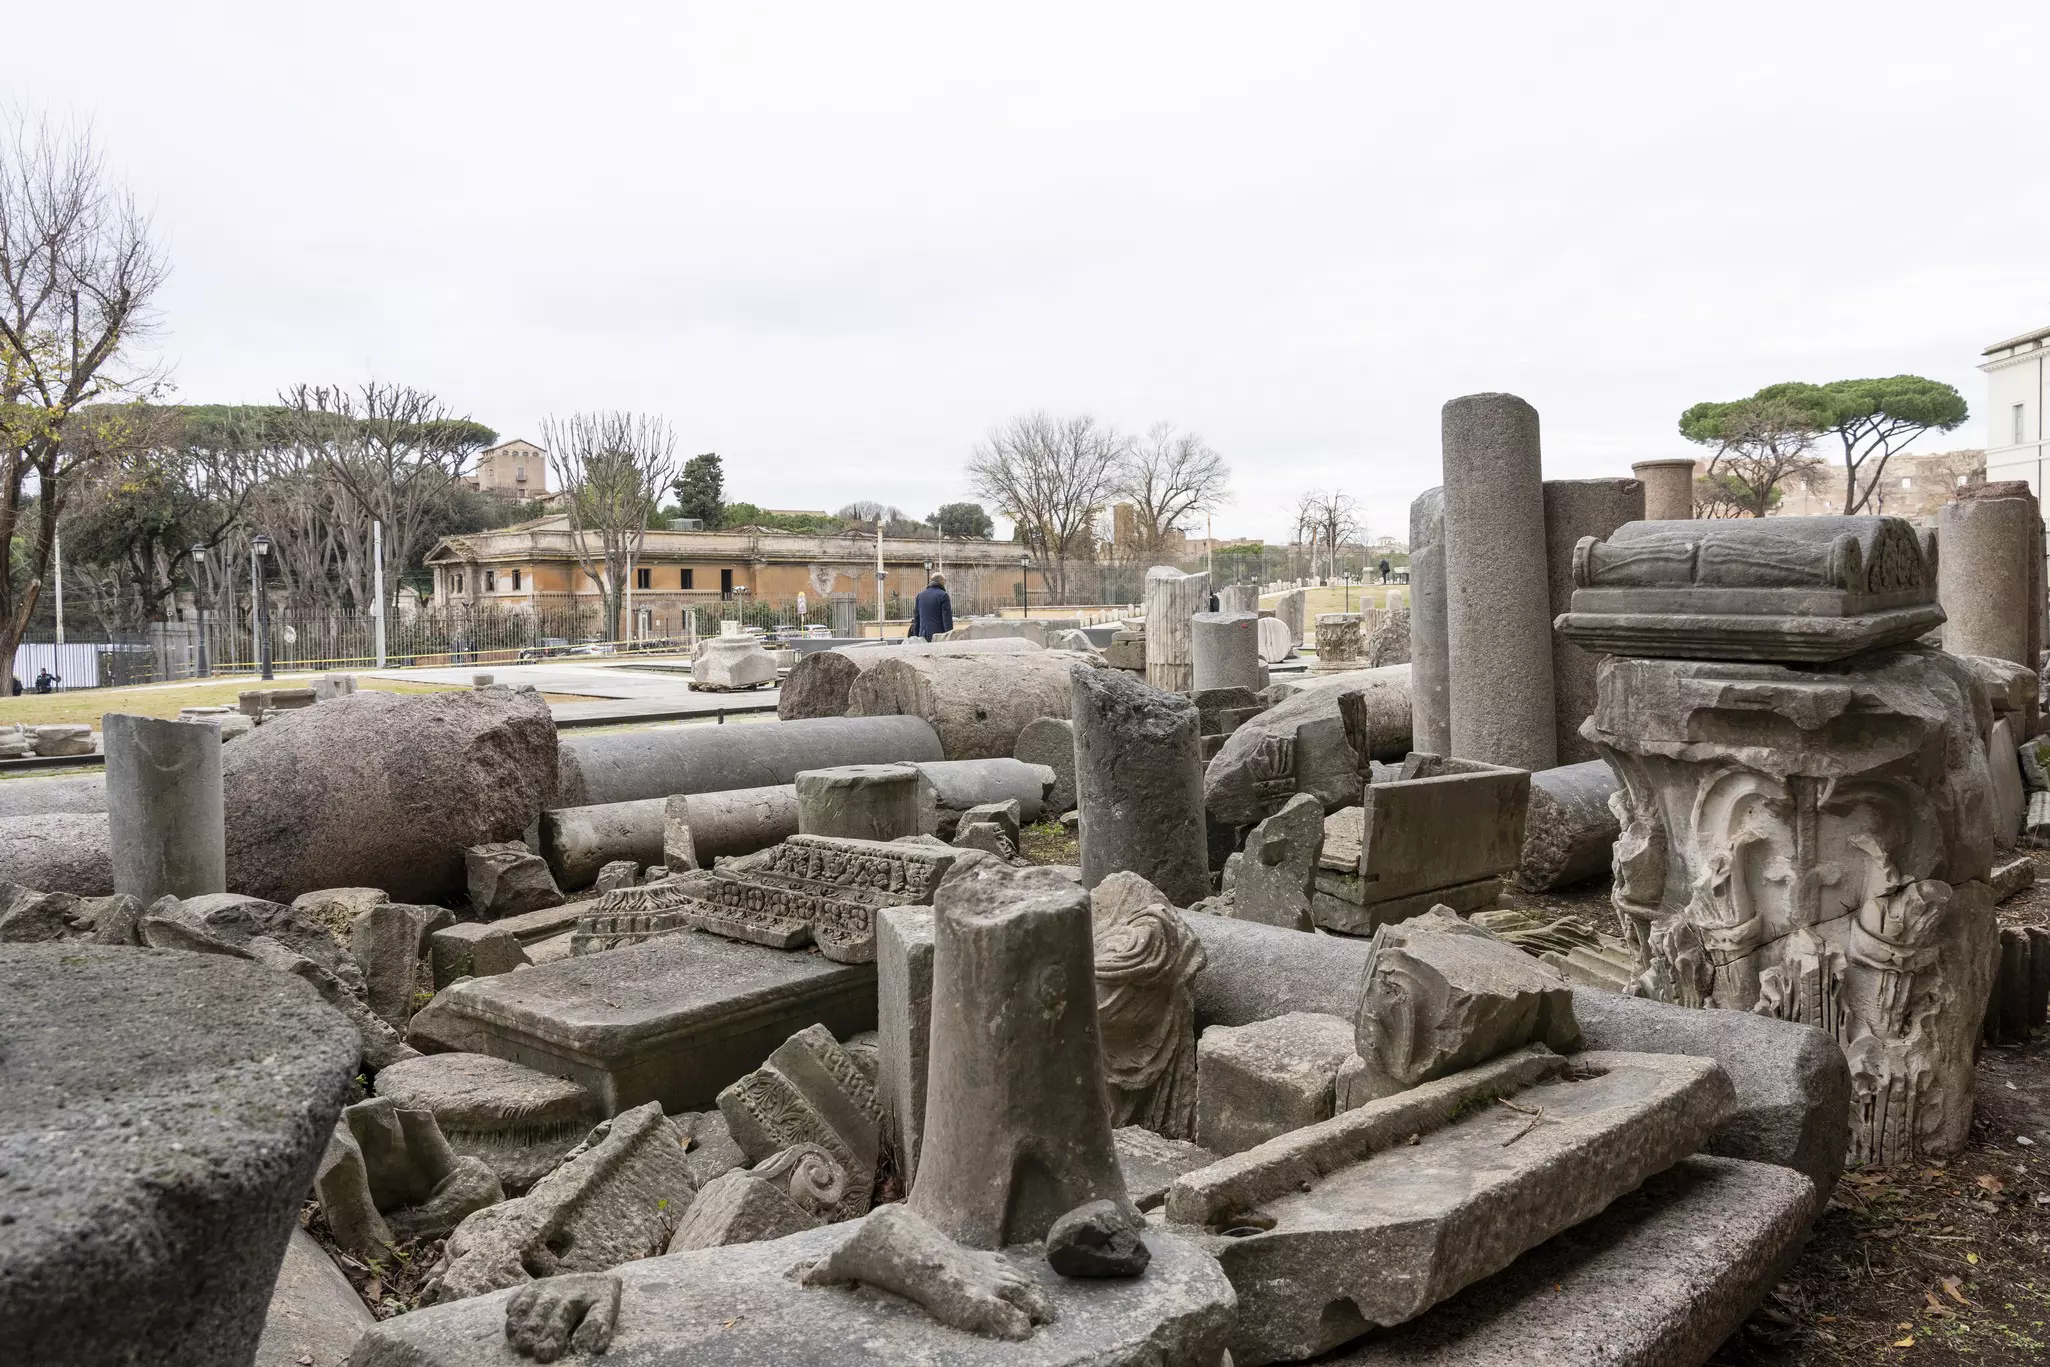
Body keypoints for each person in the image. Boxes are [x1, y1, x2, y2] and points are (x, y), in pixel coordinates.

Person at [910, 573, 954, 642]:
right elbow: (947, 619)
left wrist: (917, 635)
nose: (945, 582)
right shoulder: (943, 595)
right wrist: (949, 636)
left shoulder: (920, 595)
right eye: (944, 580)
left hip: (923, 635)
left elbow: (917, 618)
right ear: (940, 581)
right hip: (938, 636)